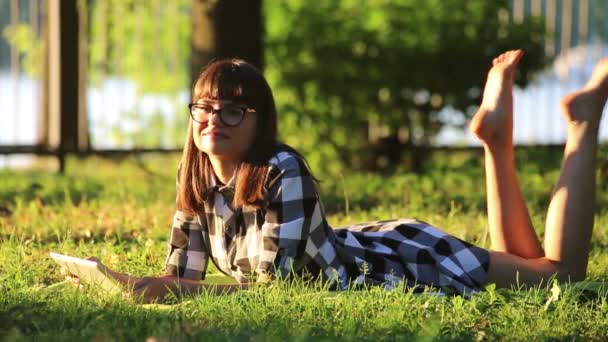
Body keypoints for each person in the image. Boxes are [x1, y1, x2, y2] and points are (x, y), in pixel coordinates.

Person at [62, 50, 608, 303]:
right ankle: (495, 144)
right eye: (204, 109)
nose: (214, 122)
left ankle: (582, 125)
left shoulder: (282, 169)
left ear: (259, 123)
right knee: (536, 267)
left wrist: (148, 289)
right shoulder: (197, 176)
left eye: (233, 111)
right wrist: (137, 282)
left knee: (559, 275)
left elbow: (270, 291)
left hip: (404, 263)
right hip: (367, 243)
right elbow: (187, 274)